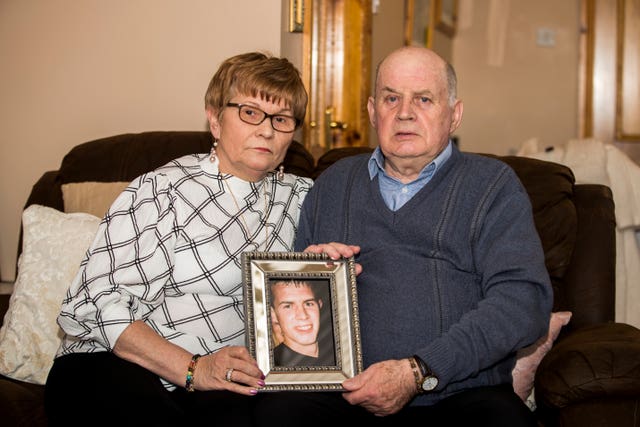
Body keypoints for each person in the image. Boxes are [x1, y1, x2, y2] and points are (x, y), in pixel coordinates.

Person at [254, 46, 553, 427]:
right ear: (372, 110)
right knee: (275, 413)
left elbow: (523, 303)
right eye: (391, 98)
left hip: (458, 394)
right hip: (341, 396)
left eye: (424, 99)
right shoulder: (333, 185)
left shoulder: (492, 187)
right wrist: (314, 276)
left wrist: (418, 371)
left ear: (454, 114)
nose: (405, 112)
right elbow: (296, 320)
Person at [44, 51, 314, 426]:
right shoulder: (160, 189)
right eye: (250, 112)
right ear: (215, 119)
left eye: (281, 119)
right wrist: (192, 369)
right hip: (116, 361)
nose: (266, 130)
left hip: (226, 377)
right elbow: (96, 301)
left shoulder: (305, 198)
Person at [269, 279, 335, 367]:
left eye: (308, 304)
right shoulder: (270, 366)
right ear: (273, 314)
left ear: (319, 305)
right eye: (288, 306)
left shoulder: (341, 353)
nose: (303, 316)